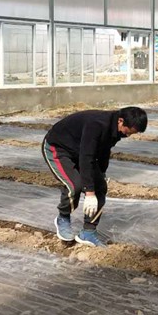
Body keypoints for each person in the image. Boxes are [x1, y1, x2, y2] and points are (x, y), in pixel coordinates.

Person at [42, 106, 148, 247]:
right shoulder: (96, 124)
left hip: (79, 151)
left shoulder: (115, 129)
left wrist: (101, 173)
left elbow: (103, 151)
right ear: (121, 121)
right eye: (128, 131)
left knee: (100, 187)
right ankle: (63, 217)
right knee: (74, 186)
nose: (128, 135)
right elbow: (86, 157)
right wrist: (89, 192)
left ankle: (88, 232)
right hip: (59, 148)